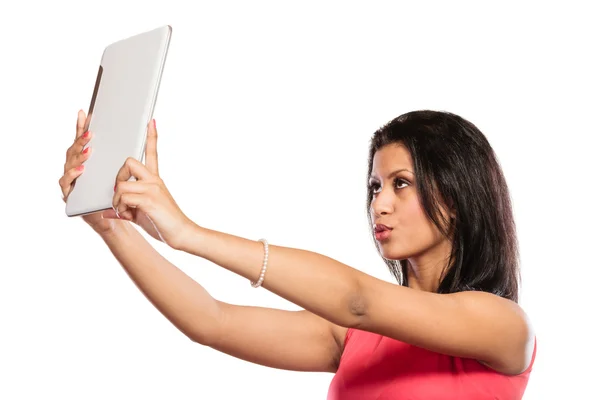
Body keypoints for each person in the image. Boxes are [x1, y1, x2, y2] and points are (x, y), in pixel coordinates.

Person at [59, 109, 536, 399]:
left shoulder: (502, 327)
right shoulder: (355, 340)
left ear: (456, 197)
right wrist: (108, 225)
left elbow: (358, 299)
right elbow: (210, 320)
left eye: (401, 184)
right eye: (374, 186)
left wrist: (188, 233)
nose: (379, 203)